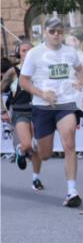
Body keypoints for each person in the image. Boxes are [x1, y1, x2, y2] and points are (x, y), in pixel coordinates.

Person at [18, 18, 83, 207]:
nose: (56, 35)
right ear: (45, 33)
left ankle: (72, 191)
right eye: (52, 32)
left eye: (59, 31)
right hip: (42, 107)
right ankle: (29, 147)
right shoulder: (35, 53)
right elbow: (23, 81)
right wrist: (42, 93)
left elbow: (81, 71)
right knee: (45, 154)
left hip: (65, 104)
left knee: (69, 144)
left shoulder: (70, 52)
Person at [1, 41, 43, 188]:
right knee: (26, 143)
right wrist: (2, 112)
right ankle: (20, 150)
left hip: (38, 110)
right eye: (23, 50)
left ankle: (36, 178)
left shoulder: (40, 70)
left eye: (29, 50)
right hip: (20, 111)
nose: (26, 53)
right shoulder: (13, 71)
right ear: (19, 53)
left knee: (36, 147)